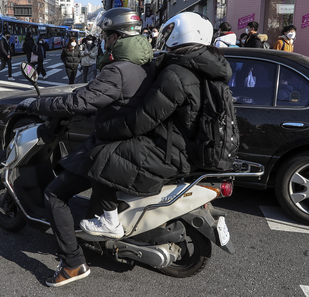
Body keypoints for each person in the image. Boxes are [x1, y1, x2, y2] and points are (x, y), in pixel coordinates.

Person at [16, 8, 155, 287]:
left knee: (54, 194)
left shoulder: (118, 70)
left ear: (115, 36)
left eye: (105, 35)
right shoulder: (145, 64)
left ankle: (73, 263)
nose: (102, 40)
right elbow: (107, 100)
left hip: (111, 148)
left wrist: (35, 104)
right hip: (130, 142)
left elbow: (78, 103)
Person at [86, 12, 232, 236]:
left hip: (172, 150)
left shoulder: (176, 73)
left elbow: (144, 119)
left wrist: (107, 128)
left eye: (170, 32)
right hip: (189, 146)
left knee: (102, 155)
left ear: (181, 34)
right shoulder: (205, 66)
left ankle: (109, 222)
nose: (165, 37)